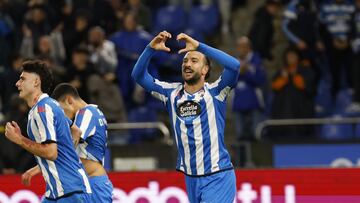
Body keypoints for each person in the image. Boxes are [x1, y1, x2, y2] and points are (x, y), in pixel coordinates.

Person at [132, 31, 240, 203]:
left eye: (194, 60)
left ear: (205, 69)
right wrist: (150, 49)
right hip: (191, 178)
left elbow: (234, 65)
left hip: (218, 176)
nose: (187, 64)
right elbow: (138, 76)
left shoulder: (216, 92)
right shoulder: (170, 93)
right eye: (185, 61)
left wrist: (199, 46)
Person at [3, 60, 92, 202]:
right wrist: (38, 168)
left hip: (71, 192)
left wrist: (20, 139)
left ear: (36, 82)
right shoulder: (49, 105)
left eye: (22, 79)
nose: (17, 84)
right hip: (57, 192)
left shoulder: (42, 109)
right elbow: (76, 131)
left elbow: (51, 152)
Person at [51, 83, 113, 202]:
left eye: (61, 110)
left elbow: (72, 141)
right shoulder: (94, 112)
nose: (61, 115)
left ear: (69, 100)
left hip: (94, 184)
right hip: (88, 183)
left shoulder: (87, 113)